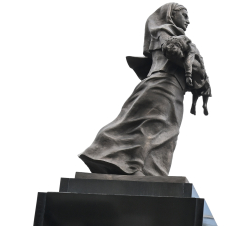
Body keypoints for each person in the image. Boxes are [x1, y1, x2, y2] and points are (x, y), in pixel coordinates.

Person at [79, 4, 199, 177]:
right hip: (162, 84)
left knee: (168, 131)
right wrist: (194, 63)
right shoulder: (164, 30)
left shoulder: (182, 40)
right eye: (184, 15)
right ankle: (129, 164)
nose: (188, 21)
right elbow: (171, 51)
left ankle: (152, 172)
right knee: (150, 125)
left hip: (175, 90)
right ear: (170, 16)